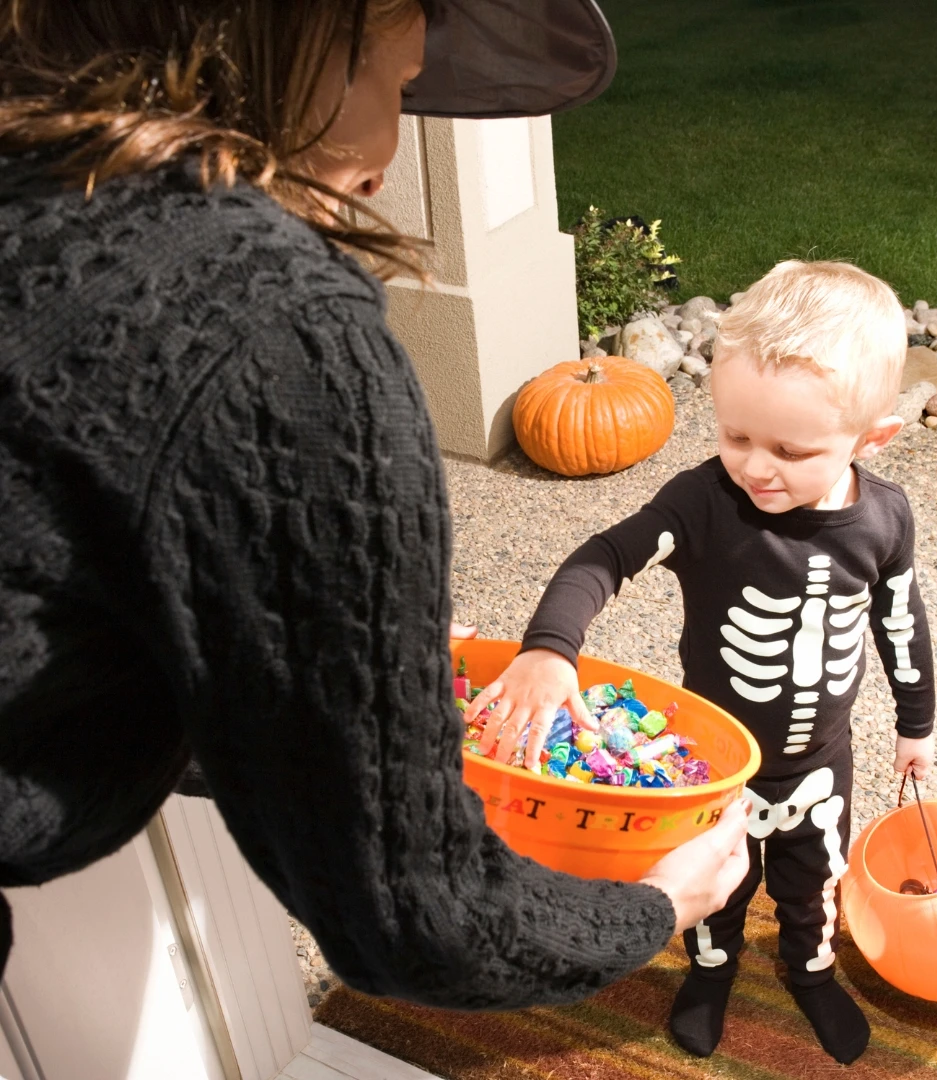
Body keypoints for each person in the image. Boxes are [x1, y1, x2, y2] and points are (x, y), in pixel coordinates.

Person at [0, 0, 752, 1004]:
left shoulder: (38, 185)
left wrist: (316, 659)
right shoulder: (285, 339)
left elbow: (70, 594)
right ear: (302, 38)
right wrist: (655, 904)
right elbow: (415, 914)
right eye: (398, 83)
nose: (391, 154)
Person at [466, 260, 937, 1062]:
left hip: (823, 760)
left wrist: (915, 725)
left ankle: (811, 971)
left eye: (791, 448)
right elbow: (603, 558)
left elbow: (900, 620)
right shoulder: (705, 502)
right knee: (714, 879)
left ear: (872, 439)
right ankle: (711, 970)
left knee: (815, 879)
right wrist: (550, 647)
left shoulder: (885, 519)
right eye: (735, 435)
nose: (756, 466)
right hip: (717, 762)